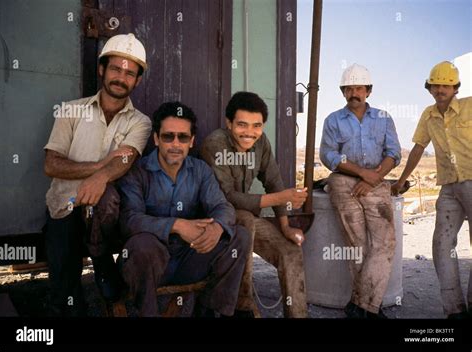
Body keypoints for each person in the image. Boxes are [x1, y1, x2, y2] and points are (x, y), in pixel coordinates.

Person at [43, 33, 152, 316]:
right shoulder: (71, 110)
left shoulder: (141, 122)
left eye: (130, 73)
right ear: (102, 69)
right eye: (116, 68)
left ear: (137, 81)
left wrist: (101, 178)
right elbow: (51, 165)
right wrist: (100, 168)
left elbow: (124, 160)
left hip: (106, 211)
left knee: (107, 200)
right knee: (65, 289)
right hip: (65, 205)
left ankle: (101, 259)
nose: (121, 77)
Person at [118, 102, 250, 317]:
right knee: (142, 245)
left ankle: (210, 310)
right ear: (156, 139)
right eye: (168, 136)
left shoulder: (200, 170)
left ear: (192, 141)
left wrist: (217, 227)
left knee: (240, 236)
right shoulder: (138, 172)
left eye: (183, 137)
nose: (175, 144)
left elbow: (222, 206)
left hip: (190, 259)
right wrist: (176, 225)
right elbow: (129, 220)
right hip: (151, 265)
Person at [200, 91, 309, 318]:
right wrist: (280, 198)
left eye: (256, 126)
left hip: (245, 217)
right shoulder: (215, 144)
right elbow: (227, 197)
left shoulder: (261, 143)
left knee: (290, 250)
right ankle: (243, 307)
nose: (250, 132)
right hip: (214, 220)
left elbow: (274, 182)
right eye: (242, 124)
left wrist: (286, 226)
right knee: (246, 219)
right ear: (229, 123)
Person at [319, 64, 401, 318]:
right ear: (343, 92)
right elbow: (328, 154)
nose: (354, 92)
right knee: (357, 243)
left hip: (376, 181)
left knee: (385, 242)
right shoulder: (333, 120)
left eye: (359, 88)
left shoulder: (384, 117)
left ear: (368, 90)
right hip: (343, 182)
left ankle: (361, 306)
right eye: (349, 88)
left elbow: (393, 153)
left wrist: (373, 177)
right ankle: (368, 309)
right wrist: (361, 173)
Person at [392, 61, 472, 319]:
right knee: (441, 244)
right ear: (429, 88)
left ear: (455, 87)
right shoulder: (428, 115)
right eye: (436, 85)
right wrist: (401, 180)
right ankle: (455, 310)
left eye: (446, 85)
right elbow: (418, 148)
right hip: (449, 186)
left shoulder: (470, 107)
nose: (441, 89)